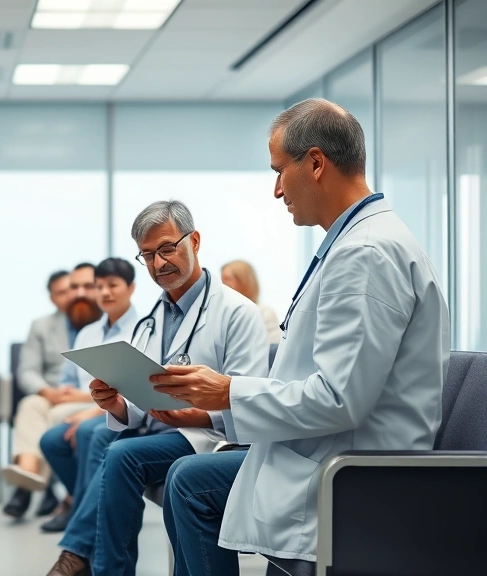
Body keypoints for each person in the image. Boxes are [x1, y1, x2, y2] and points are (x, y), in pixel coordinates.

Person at [156, 99, 449, 576]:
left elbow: (338, 399)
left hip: (352, 475)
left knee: (191, 483)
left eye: (279, 171)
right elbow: (318, 383)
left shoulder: (367, 254)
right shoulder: (355, 243)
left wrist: (228, 391)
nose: (276, 191)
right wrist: (215, 408)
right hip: (324, 452)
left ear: (315, 163)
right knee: (189, 478)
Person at [46, 201, 270, 576]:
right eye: (147, 255)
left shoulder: (237, 312)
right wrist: (115, 403)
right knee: (110, 442)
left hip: (207, 435)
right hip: (159, 431)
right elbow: (134, 405)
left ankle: (96, 565)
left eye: (167, 248)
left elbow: (245, 400)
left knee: (121, 455)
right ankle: (90, 560)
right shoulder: (150, 321)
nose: (158, 263)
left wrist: (193, 412)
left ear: (194, 241)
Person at [38, 259, 136, 534]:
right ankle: (84, 505)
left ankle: (79, 522)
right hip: (92, 406)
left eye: (112, 285)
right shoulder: (87, 332)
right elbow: (68, 378)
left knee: (85, 433)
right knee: (51, 441)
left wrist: (91, 412)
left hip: (125, 412)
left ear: (131, 288)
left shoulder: (144, 328)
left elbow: (133, 387)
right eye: (99, 286)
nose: (105, 292)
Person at [3, 265, 101, 521]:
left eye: (82, 288)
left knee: (55, 414)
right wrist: (48, 391)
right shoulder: (42, 326)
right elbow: (26, 370)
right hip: (55, 393)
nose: (75, 295)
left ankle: (27, 490)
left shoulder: (104, 324)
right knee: (31, 404)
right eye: (67, 290)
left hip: (93, 397)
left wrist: (79, 396)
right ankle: (29, 476)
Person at [221, 260, 280, 343]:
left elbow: (273, 349)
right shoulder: (221, 313)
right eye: (222, 280)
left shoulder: (265, 312)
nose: (222, 285)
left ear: (244, 281)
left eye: (227, 279)